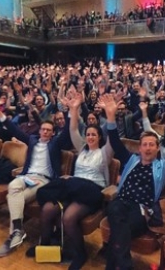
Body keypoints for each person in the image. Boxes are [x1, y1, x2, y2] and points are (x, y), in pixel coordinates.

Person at [98, 95, 165, 270]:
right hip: (122, 203)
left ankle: (113, 265)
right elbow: (115, 141)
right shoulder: (131, 160)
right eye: (144, 144)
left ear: (157, 148)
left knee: (119, 230)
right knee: (114, 209)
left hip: (141, 210)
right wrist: (110, 116)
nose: (148, 147)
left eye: (152, 144)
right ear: (139, 148)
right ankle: (124, 266)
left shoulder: (164, 166)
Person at [27, 92, 113, 270]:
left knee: (68, 217)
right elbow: (73, 129)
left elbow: (113, 140)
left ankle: (80, 254)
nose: (89, 137)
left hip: (91, 191)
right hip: (74, 187)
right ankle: (44, 244)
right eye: (88, 134)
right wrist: (74, 109)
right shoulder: (81, 149)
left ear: (99, 137)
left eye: (93, 135)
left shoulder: (105, 153)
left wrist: (110, 115)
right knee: (47, 209)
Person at [0, 99, 71, 258]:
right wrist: (0, 114)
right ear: (39, 131)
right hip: (27, 176)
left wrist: (72, 111)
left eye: (48, 130)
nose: (45, 132)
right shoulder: (32, 140)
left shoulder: (56, 143)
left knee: (14, 197)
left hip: (43, 180)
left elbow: (67, 131)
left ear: (53, 133)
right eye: (43, 129)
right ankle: (18, 230)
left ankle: (14, 234)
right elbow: (15, 130)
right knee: (13, 187)